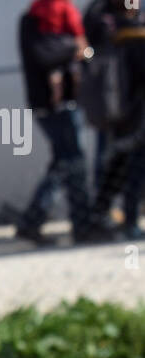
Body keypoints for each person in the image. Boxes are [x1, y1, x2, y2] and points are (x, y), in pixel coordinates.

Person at [12, 1, 97, 246]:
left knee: (65, 161)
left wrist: (73, 48)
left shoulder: (69, 16)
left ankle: (36, 220)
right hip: (48, 105)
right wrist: (73, 47)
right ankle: (79, 225)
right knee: (72, 162)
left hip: (72, 100)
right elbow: (44, 55)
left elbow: (86, 50)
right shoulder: (31, 20)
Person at [84, 0, 145, 236]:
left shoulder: (104, 26)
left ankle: (99, 214)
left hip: (115, 110)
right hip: (137, 113)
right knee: (135, 167)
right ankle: (129, 219)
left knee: (116, 163)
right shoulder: (135, 37)